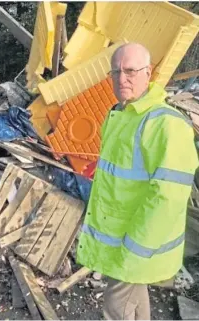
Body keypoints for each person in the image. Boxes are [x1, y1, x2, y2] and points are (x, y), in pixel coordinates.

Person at [76, 43, 198, 320]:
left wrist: (134, 250)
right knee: (132, 300)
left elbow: (167, 198)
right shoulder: (119, 115)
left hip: (135, 243)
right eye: (116, 72)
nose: (122, 79)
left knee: (116, 309)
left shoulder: (166, 124)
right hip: (120, 237)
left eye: (130, 71)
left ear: (148, 73)